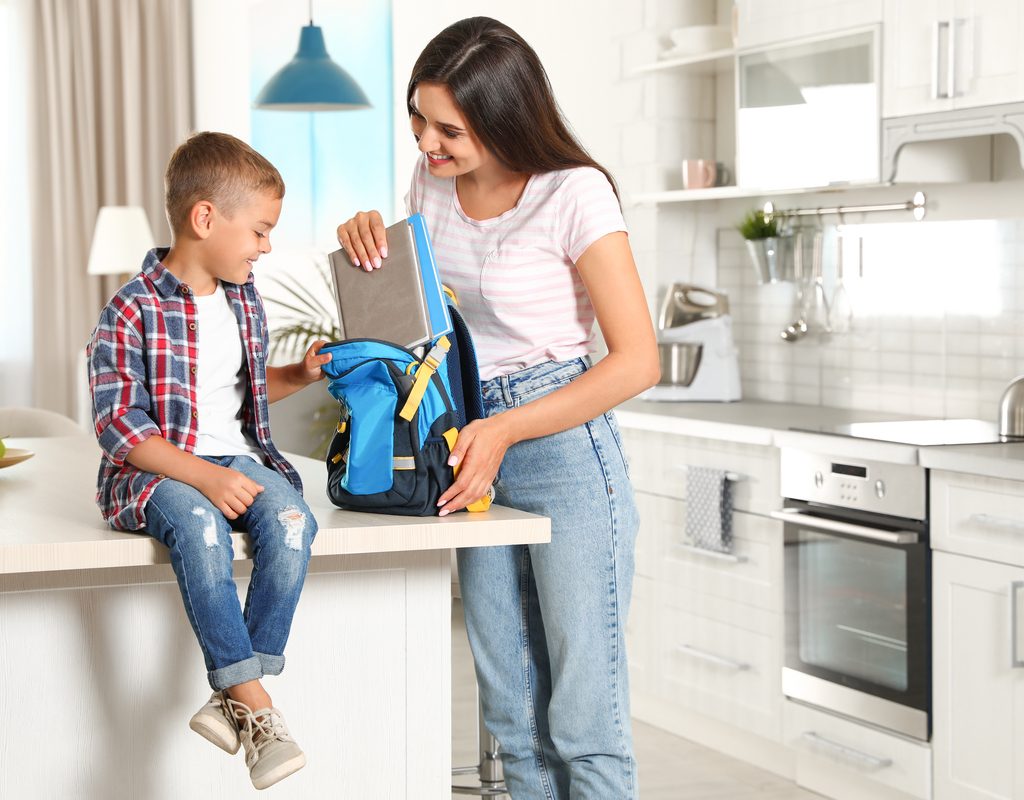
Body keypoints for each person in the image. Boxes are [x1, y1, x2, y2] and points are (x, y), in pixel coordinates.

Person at [336, 17, 659, 799]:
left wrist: (507, 428)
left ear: (505, 116)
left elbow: (637, 361)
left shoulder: (574, 193)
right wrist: (373, 245)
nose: (427, 143)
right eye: (418, 119)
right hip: (467, 439)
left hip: (561, 446)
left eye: (449, 129)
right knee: (512, 715)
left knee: (584, 723)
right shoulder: (431, 182)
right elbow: (422, 316)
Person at [88, 131, 330, 790]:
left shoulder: (243, 297)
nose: (266, 246)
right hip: (156, 472)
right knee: (199, 529)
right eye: (260, 230)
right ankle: (257, 705)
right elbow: (118, 426)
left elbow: (241, 391)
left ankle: (232, 695)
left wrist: (298, 375)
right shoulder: (130, 309)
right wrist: (203, 475)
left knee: (292, 523)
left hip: (236, 459)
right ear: (205, 218)